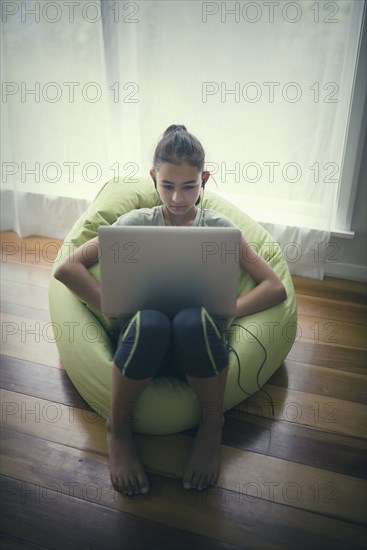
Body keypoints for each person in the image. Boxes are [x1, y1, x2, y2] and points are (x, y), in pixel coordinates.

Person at [54, 124, 287, 496]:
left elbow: (275, 288)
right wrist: (111, 305)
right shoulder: (133, 225)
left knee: (192, 320)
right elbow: (66, 268)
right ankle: (119, 429)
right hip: (142, 342)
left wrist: (229, 308)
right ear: (153, 179)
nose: (178, 198)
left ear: (204, 179)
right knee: (152, 323)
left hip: (199, 344)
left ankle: (212, 428)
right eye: (167, 185)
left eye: (189, 186)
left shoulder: (221, 230)